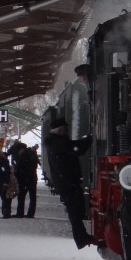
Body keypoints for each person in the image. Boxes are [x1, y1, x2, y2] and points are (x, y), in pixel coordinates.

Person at [45, 67, 93, 248]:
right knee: (74, 213)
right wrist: (89, 140)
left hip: (66, 182)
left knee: (75, 212)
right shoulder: (59, 143)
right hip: (68, 182)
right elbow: (74, 150)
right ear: (60, 130)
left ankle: (81, 237)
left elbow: (73, 149)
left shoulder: (56, 142)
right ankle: (80, 238)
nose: (67, 131)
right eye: (65, 129)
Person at [12, 141, 40, 218]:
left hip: (24, 179)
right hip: (32, 178)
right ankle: (30, 213)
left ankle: (20, 213)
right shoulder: (32, 154)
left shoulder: (24, 156)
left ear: (22, 149)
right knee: (32, 197)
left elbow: (21, 167)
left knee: (21, 196)